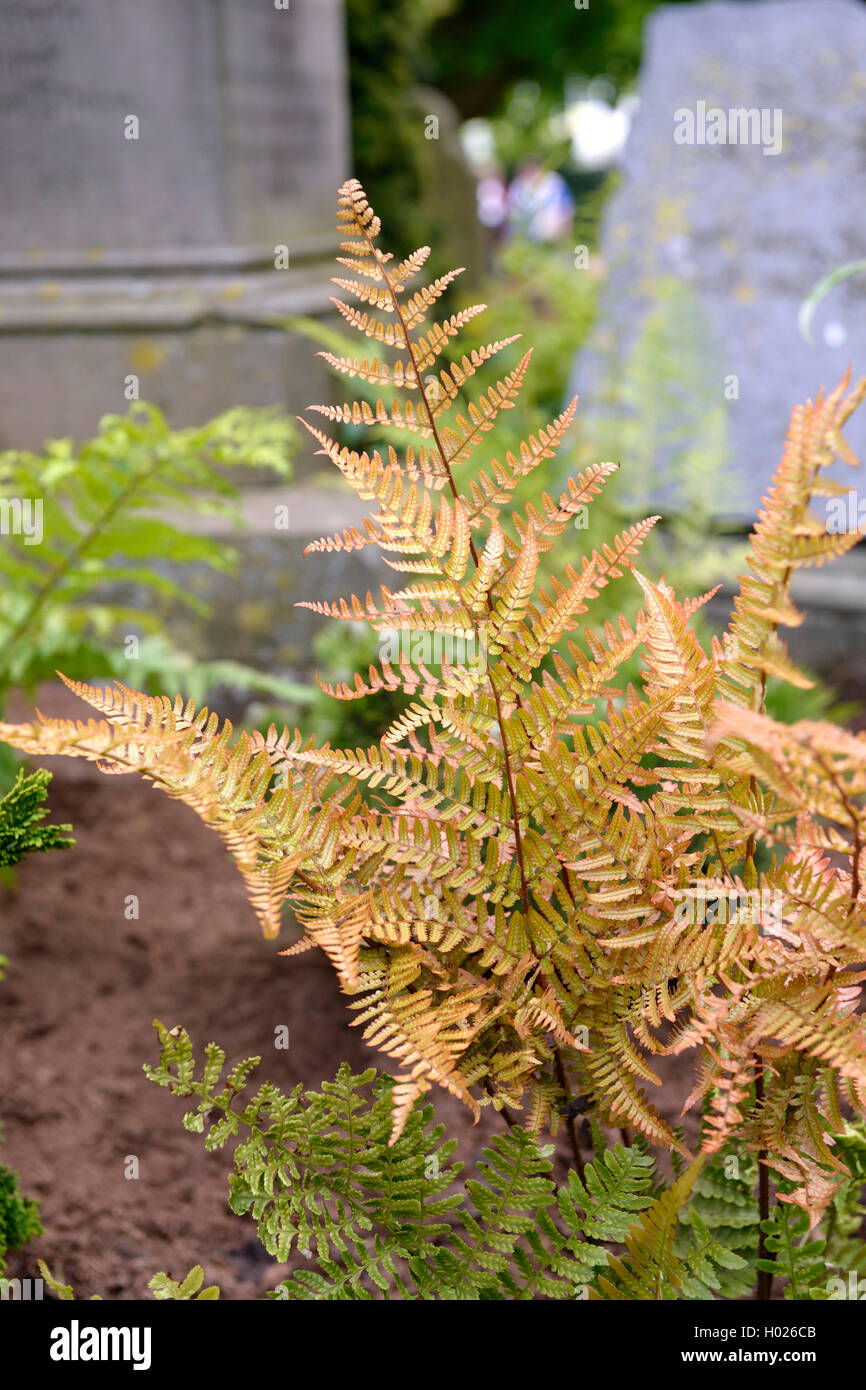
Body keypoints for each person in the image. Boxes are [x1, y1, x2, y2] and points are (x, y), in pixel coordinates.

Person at [506, 156, 575, 243]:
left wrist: (565, 230)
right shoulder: (518, 185)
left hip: (554, 233)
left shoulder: (554, 181)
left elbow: (567, 207)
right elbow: (512, 211)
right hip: (529, 237)